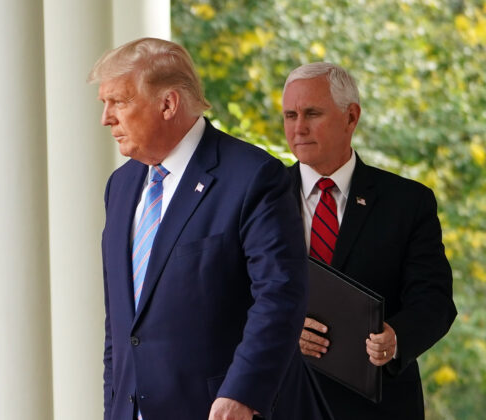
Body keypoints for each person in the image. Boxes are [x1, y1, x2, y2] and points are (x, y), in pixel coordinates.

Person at [89, 38, 328, 420]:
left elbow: (281, 297)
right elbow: (120, 327)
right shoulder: (120, 187)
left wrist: (243, 395)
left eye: (118, 101)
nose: (106, 117)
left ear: (168, 104)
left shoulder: (253, 177)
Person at [282, 61, 457, 419]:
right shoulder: (258, 198)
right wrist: (285, 328)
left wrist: (396, 339)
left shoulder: (408, 202)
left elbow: (434, 301)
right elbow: (229, 291)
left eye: (312, 113)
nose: (298, 127)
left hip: (379, 404)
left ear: (351, 117)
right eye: (289, 115)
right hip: (282, 400)